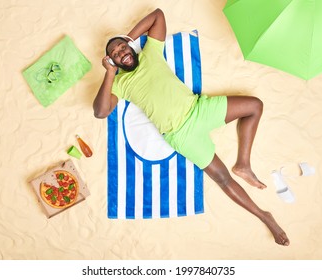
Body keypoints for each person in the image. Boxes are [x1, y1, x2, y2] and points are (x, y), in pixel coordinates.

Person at [93, 8, 290, 246]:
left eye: (122, 48)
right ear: (112, 62)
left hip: (200, 110)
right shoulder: (119, 84)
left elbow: (158, 15)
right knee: (222, 179)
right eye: (115, 54)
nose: (120, 52)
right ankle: (264, 216)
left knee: (254, 106)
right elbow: (101, 112)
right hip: (181, 135)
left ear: (131, 46)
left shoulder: (150, 53)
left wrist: (128, 38)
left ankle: (244, 164)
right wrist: (110, 74)